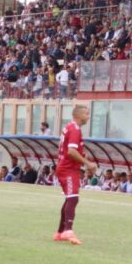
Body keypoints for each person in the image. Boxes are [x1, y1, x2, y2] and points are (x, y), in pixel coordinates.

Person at [53, 105, 98, 245]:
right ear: (78, 115)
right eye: (86, 113)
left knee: (69, 199)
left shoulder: (70, 127)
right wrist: (88, 163)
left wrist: (84, 161)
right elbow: (71, 152)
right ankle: (68, 230)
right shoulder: (75, 129)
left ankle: (60, 232)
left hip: (66, 167)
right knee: (73, 198)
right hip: (68, 169)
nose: (88, 116)